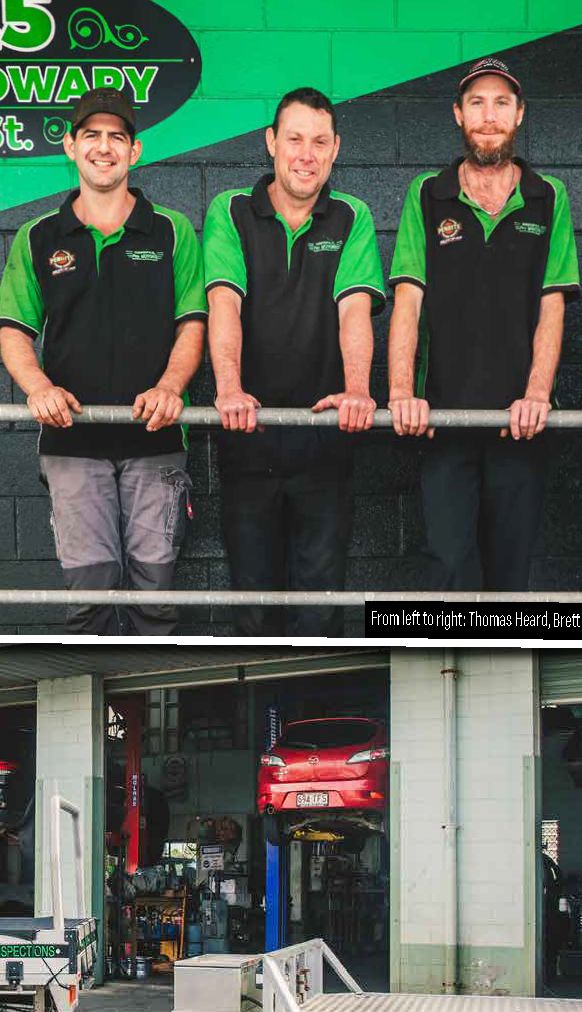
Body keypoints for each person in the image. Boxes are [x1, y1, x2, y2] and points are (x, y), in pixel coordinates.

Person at [0, 88, 207, 635]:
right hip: (72, 444)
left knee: (155, 597)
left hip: (155, 441)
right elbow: (14, 329)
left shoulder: (171, 231)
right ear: (70, 146)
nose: (104, 147)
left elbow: (192, 322)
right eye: (92, 135)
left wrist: (171, 386)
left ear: (134, 151)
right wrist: (36, 385)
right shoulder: (39, 238)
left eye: (117, 136)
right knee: (89, 597)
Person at [386, 58, 579, 590]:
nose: (488, 116)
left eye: (500, 103)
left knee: (510, 578)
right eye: (476, 103)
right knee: (449, 569)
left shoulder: (549, 196)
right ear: (458, 114)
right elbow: (408, 299)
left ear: (520, 115)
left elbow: (552, 304)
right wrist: (402, 392)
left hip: (522, 425)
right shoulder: (427, 194)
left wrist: (538, 394)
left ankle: (503, 675)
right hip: (443, 422)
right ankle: (453, 675)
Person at [203, 87, 385, 637]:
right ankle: (258, 720)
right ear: (271, 144)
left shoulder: (351, 216)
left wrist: (358, 389)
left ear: (335, 151)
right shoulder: (230, 210)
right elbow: (223, 302)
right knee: (253, 607)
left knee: (319, 607)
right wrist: (229, 388)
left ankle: (312, 718)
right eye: (295, 139)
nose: (306, 154)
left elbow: (355, 311)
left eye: (319, 142)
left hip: (323, 444)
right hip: (248, 440)